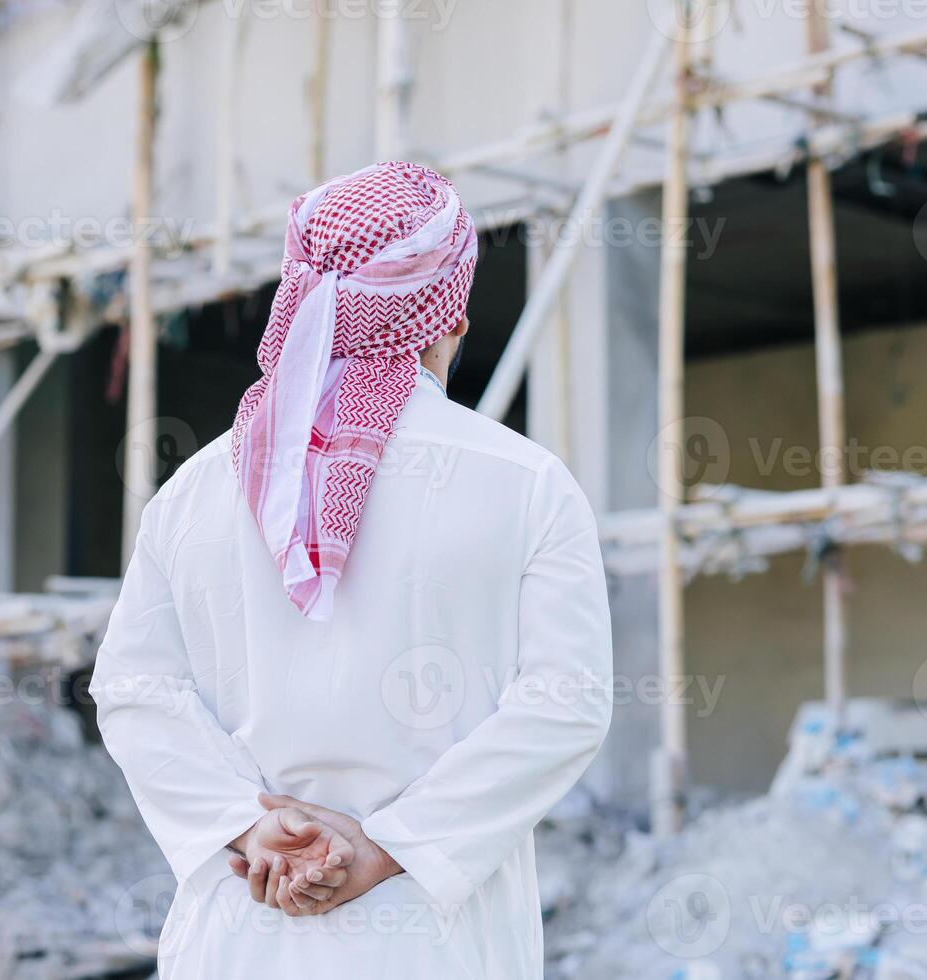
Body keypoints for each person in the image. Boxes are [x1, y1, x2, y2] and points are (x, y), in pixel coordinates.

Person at [90, 161, 612, 978]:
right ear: (452, 319)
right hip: (437, 945)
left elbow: (133, 691)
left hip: (241, 930)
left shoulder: (194, 493)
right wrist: (386, 849)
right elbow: (565, 705)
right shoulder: (526, 483)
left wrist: (251, 829)